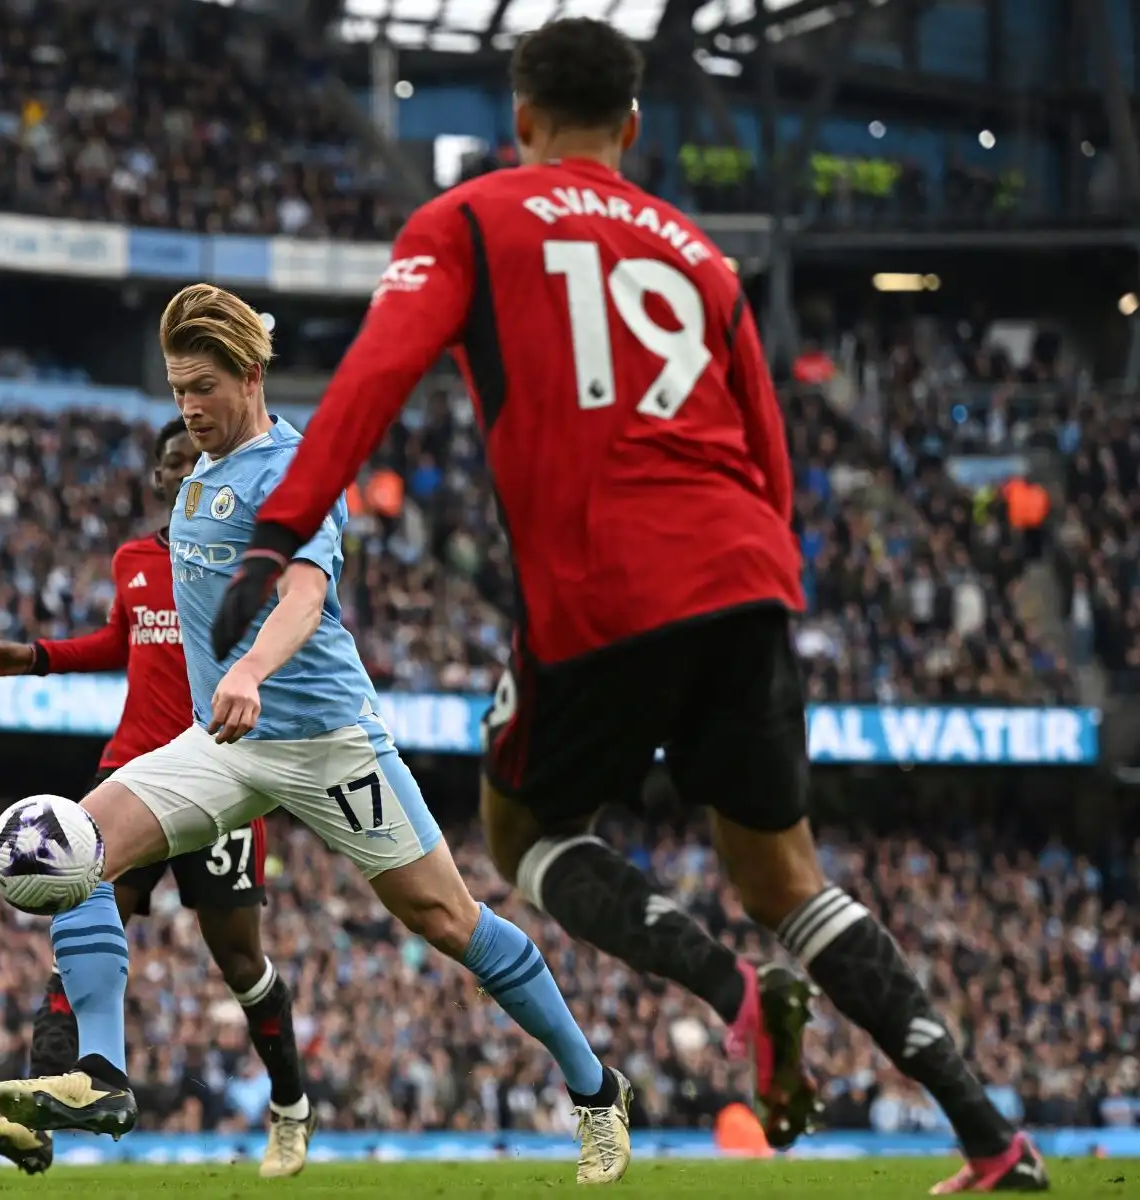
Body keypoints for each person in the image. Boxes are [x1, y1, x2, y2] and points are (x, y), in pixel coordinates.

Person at [208, 18, 1048, 1196]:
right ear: (635, 128)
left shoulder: (469, 220)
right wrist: (765, 585)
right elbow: (771, 454)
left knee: (524, 832)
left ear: (521, 120)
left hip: (604, 583)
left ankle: (735, 996)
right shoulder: (703, 258)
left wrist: (278, 532)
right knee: (787, 880)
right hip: (747, 576)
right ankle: (993, 1142)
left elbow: (371, 380)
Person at [0, 284, 633, 1187]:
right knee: (73, 844)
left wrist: (251, 669)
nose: (188, 407)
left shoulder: (297, 469)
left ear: (249, 375)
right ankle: (102, 1074)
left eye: (202, 387)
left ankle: (597, 1089)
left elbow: (302, 593)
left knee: (446, 919)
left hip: (327, 741)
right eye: (177, 389)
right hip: (224, 744)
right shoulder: (202, 474)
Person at [0, 418, 314, 1179]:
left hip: (219, 773)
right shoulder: (133, 559)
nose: (185, 469)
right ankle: (42, 1123)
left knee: (241, 965)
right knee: (75, 911)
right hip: (130, 772)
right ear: (158, 476)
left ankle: (289, 1101)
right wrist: (37, 658)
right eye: (173, 461)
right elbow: (125, 640)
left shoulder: (244, 557)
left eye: (198, 457)